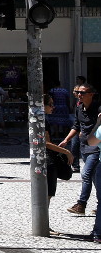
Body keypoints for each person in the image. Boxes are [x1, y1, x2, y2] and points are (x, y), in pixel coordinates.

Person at [61, 81, 99, 216]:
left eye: (82, 93)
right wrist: (66, 140)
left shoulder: (98, 109)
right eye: (78, 92)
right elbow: (76, 126)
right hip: (84, 147)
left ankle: (81, 204)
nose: (79, 95)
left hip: (96, 148)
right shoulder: (79, 108)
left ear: (91, 94)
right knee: (95, 177)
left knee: (86, 174)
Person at [42, 93, 74, 204]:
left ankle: (42, 219)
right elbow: (46, 143)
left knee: (47, 193)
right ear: (43, 105)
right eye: (50, 104)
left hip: (42, 159)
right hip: (47, 160)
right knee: (48, 193)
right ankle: (42, 220)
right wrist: (66, 152)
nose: (53, 107)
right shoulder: (42, 121)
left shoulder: (40, 119)